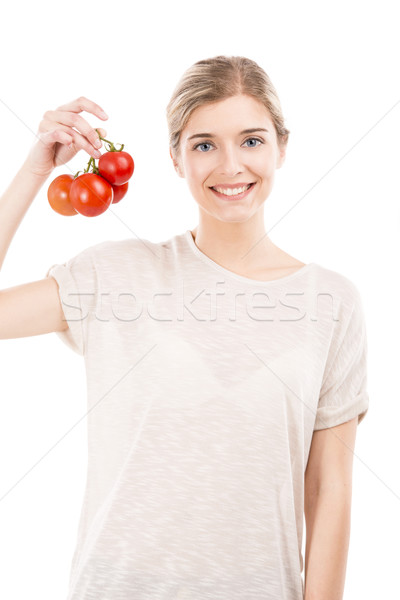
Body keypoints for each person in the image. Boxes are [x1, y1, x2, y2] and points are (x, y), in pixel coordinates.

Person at [0, 55, 369, 600]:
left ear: (281, 147)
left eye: (250, 140)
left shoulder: (331, 302)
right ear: (175, 158)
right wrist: (33, 172)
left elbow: (328, 489)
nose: (230, 166)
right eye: (203, 145)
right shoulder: (116, 273)